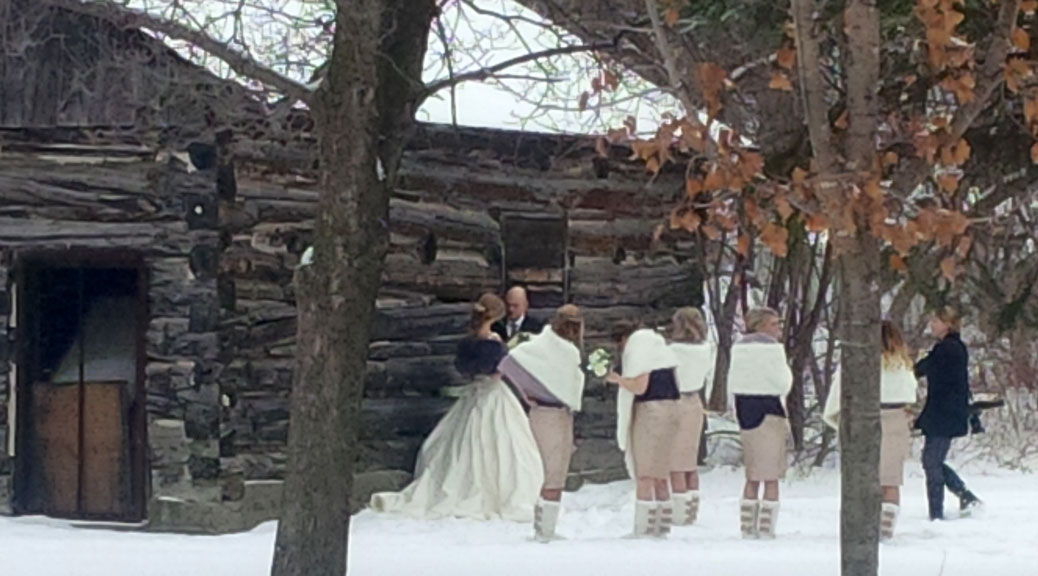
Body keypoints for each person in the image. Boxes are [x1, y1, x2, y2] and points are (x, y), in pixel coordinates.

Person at [369, 293, 544, 520]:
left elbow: (465, 369)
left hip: (473, 393)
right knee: (503, 444)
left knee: (464, 443)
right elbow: (500, 371)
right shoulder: (493, 344)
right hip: (493, 394)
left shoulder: (467, 343)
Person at [823, 321, 918, 540]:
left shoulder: (856, 362)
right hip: (896, 419)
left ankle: (863, 527)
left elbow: (839, 392)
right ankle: (885, 530)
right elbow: (910, 394)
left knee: (863, 480)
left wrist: (838, 418)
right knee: (891, 480)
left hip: (863, 418)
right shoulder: (902, 364)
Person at [498, 304, 586, 542]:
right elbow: (509, 363)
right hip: (554, 414)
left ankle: (541, 527)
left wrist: (527, 391)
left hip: (539, 412)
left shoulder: (540, 345)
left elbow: (509, 362)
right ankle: (545, 530)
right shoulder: (566, 352)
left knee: (543, 470)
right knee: (553, 473)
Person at [606, 321, 681, 538]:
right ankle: (662, 525)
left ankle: (643, 527)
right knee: (661, 472)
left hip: (651, 411)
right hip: (672, 409)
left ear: (624, 340)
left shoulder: (639, 347)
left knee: (646, 472)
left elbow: (640, 386)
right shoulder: (659, 346)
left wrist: (618, 379)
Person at [728, 307, 792, 539]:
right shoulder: (773, 350)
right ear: (762, 326)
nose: (778, 329)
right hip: (769, 409)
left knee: (752, 472)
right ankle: (766, 528)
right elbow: (783, 382)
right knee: (771, 473)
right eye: (774, 324)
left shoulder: (738, 348)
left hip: (746, 409)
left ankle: (747, 525)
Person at [914, 306, 981, 520]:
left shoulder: (948, 349)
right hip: (943, 412)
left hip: (944, 413)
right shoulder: (950, 347)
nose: (932, 325)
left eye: (936, 321)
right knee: (931, 460)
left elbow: (922, 368)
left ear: (948, 324)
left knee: (931, 461)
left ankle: (937, 512)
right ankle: (964, 495)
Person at [667, 307, 712, 526]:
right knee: (690, 460)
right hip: (695, 402)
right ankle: (692, 508)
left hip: (676, 402)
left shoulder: (672, 350)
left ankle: (679, 512)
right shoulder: (705, 349)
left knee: (675, 461)